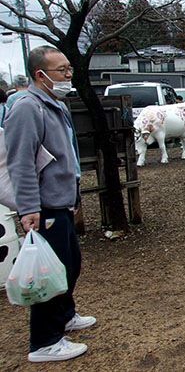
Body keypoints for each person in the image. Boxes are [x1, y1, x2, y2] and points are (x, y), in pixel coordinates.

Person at [4, 46, 95, 362]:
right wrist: (29, 207)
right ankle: (44, 342)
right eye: (62, 70)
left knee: (69, 265)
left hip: (61, 201)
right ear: (40, 75)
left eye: (70, 68)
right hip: (43, 206)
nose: (69, 75)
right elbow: (21, 162)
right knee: (49, 273)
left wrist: (73, 194)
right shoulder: (27, 108)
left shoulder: (53, 104)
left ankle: (65, 316)